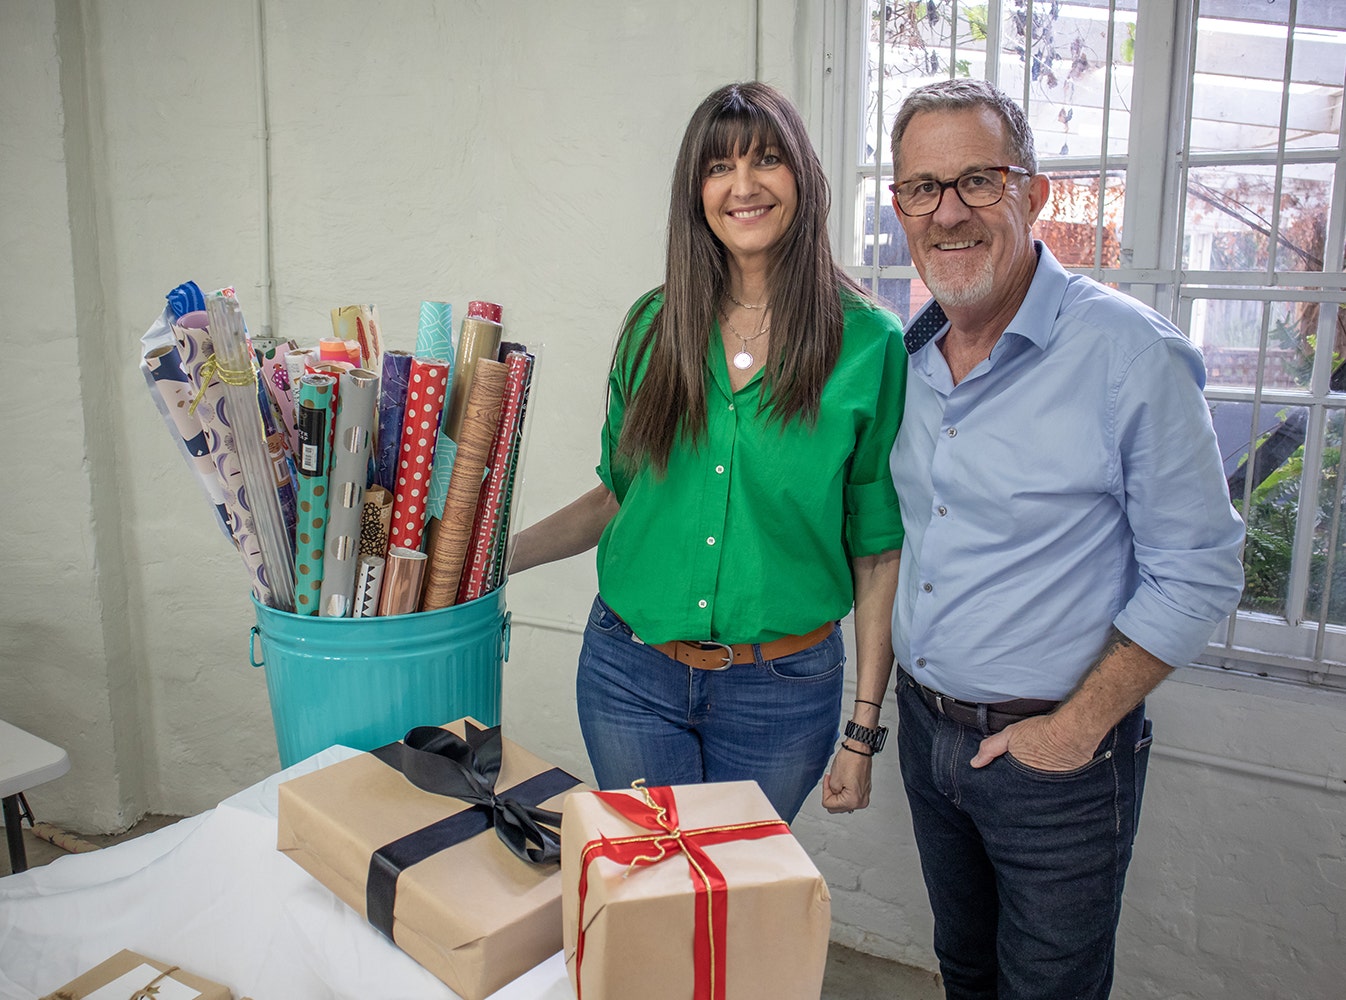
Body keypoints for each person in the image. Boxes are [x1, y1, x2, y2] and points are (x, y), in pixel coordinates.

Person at [875, 79, 1245, 999]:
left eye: (979, 180)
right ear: (900, 208)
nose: (949, 211)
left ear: (1035, 194)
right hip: (929, 734)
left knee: (1048, 989)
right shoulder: (911, 351)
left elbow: (1199, 570)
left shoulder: (1129, 354)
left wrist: (1075, 729)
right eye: (924, 188)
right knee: (964, 971)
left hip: (1057, 763)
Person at [509, 81, 907, 823]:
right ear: (696, 192)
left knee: (730, 909)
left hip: (781, 696)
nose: (744, 185)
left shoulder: (870, 343)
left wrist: (862, 727)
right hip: (630, 676)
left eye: (766, 160)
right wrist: (494, 558)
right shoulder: (652, 328)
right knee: (651, 896)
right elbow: (618, 496)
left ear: (804, 180)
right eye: (719, 167)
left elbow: (878, 550)